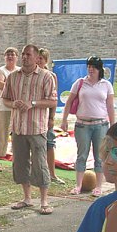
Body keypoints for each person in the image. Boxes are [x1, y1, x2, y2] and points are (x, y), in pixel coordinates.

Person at [2, 44, 57, 215]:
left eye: (28, 55)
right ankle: (27, 198)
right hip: (18, 128)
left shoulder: (46, 76)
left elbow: (53, 101)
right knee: (20, 163)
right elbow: (6, 99)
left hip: (36, 128)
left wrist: (32, 104)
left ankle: (44, 201)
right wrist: (14, 104)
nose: (25, 57)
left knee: (40, 164)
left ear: (36, 57)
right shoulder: (13, 77)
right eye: (23, 54)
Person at [61, 56, 116, 197]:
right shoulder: (80, 83)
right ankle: (78, 185)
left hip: (101, 124)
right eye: (89, 67)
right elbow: (69, 102)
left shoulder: (106, 85)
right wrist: (64, 120)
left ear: (99, 69)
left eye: (94, 67)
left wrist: (113, 125)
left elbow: (110, 106)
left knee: (100, 155)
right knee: (82, 154)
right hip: (82, 124)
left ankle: (98, 187)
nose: (91, 69)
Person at [37, 48, 65, 184]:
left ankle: (52, 174)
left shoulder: (51, 76)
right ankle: (36, 172)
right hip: (35, 115)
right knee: (35, 144)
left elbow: (54, 100)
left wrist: (52, 117)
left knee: (49, 143)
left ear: (45, 60)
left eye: (41, 59)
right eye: (37, 58)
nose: (38, 61)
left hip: (46, 114)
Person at [0, 47, 20, 172]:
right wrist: (16, 87)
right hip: (2, 107)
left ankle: (17, 161)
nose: (10, 56)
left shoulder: (20, 71)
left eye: (12, 54)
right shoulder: (0, 70)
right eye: (7, 54)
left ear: (16, 57)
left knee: (18, 134)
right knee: (0, 133)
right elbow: (0, 84)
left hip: (17, 107)